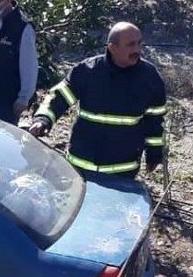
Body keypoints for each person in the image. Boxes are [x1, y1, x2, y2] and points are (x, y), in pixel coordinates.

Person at [27, 22, 167, 179]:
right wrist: (43, 119)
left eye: (139, 44)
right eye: (130, 45)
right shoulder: (88, 71)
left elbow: (155, 120)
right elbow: (59, 96)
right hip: (81, 166)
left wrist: (154, 153)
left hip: (123, 170)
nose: (137, 50)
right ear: (112, 48)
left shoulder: (149, 77)